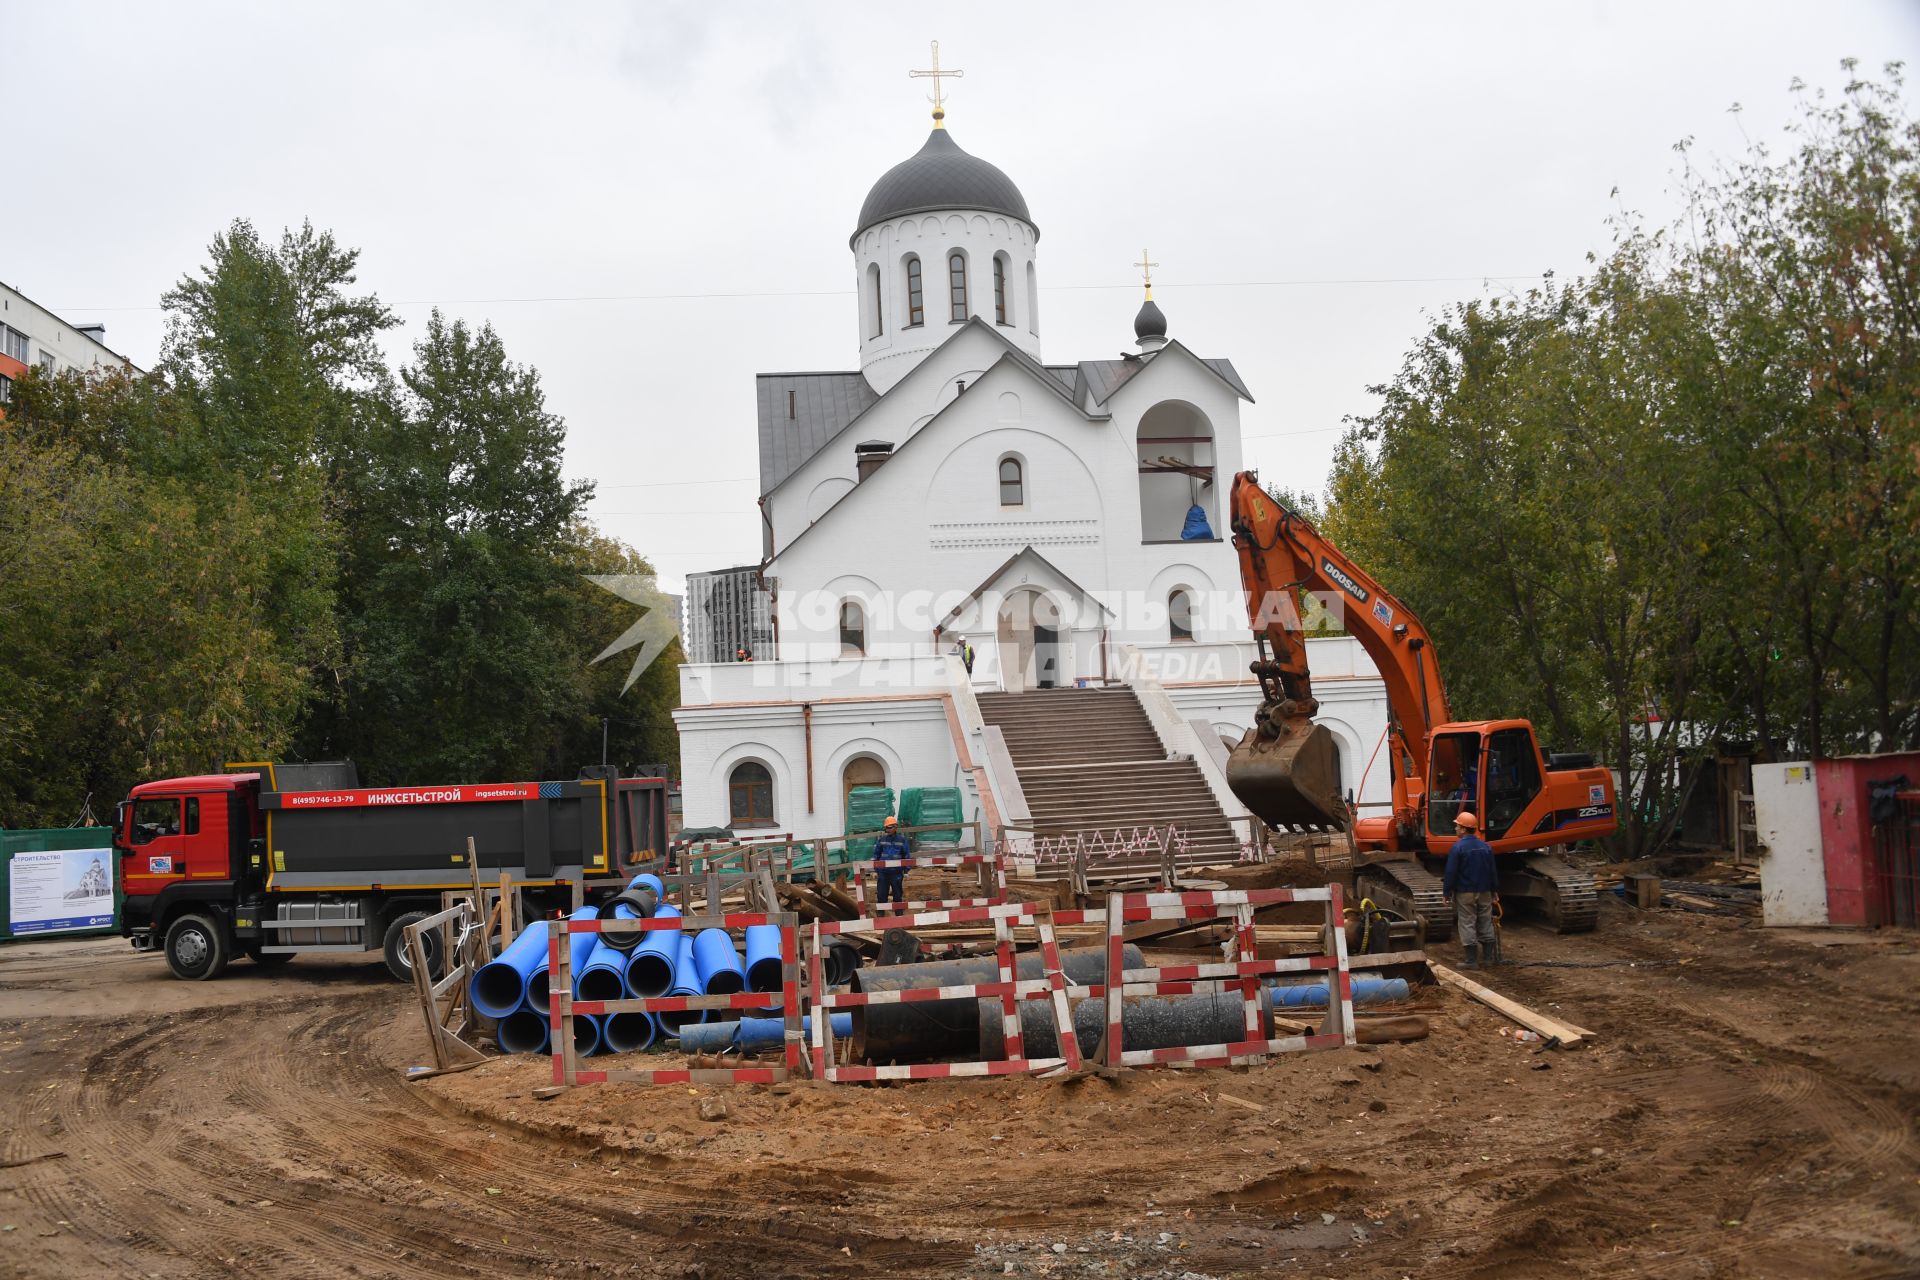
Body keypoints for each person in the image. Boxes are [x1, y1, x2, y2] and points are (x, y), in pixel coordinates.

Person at [1442, 811, 1500, 967]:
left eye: (1457, 826)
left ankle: (1471, 960)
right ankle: (1488, 958)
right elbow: (1492, 870)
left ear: (1463, 829)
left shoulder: (1457, 848)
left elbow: (1451, 872)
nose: (1455, 829)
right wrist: (1494, 891)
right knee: (1485, 920)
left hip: (1465, 892)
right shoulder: (1485, 847)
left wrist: (1446, 893)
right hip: (1485, 891)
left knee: (1467, 922)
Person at [872, 815, 911, 907]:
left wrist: (906, 870)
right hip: (883, 872)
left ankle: (899, 915)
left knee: (897, 896)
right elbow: (876, 854)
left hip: (896, 873)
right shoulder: (881, 840)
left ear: (895, 827)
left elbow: (906, 855)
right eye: (886, 828)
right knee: (881, 895)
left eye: (889, 827)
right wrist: (876, 869)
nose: (888, 830)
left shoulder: (901, 840)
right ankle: (881, 916)